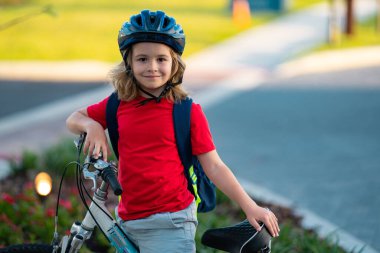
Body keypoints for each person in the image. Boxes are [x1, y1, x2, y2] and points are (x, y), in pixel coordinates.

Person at [66, 9, 280, 253]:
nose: (152, 67)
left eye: (161, 59)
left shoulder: (186, 112)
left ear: (174, 63)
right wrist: (92, 125)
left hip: (171, 222)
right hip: (128, 218)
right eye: (142, 59)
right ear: (129, 63)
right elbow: (75, 118)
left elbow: (215, 166)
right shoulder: (118, 104)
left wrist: (250, 206)